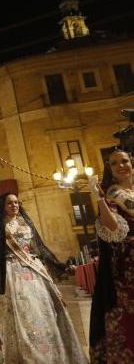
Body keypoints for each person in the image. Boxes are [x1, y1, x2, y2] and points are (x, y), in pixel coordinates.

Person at [0, 193, 87, 363]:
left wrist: (59, 265)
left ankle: (45, 348)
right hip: (8, 272)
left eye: (16, 202)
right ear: (2, 206)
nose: (14, 205)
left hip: (32, 271)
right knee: (14, 309)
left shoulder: (26, 223)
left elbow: (40, 248)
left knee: (39, 309)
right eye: (10, 203)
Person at [88, 148, 134, 363]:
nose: (121, 166)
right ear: (111, 169)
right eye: (115, 163)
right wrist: (99, 198)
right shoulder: (113, 194)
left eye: (124, 161)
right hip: (129, 260)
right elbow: (114, 228)